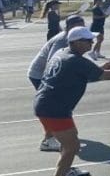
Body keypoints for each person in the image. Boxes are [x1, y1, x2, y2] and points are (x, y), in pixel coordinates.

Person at [35, 26, 110, 176]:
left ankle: (67, 170)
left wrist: (100, 68)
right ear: (77, 42)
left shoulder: (63, 53)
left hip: (46, 105)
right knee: (72, 147)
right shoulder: (78, 61)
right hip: (54, 110)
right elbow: (107, 77)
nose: (92, 42)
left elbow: (79, 75)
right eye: (88, 40)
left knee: (71, 142)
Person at [28, 14, 87, 152]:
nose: (82, 27)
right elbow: (53, 62)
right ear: (69, 27)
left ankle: (58, 133)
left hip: (46, 74)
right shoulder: (62, 40)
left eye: (83, 24)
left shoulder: (75, 38)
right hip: (39, 75)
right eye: (79, 25)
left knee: (54, 108)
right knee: (52, 108)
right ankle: (48, 140)